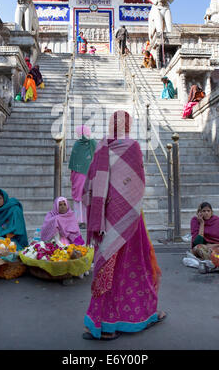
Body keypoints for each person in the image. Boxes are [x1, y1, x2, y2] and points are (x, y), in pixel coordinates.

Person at [82, 110, 165, 341]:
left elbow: (89, 184)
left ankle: (102, 324)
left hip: (106, 220)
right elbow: (138, 181)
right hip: (129, 218)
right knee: (136, 266)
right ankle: (141, 315)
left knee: (107, 267)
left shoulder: (101, 147)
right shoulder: (133, 147)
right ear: (127, 125)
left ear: (111, 125)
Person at [68, 125, 97, 226]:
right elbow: (73, 160)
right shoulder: (77, 144)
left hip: (89, 175)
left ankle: (86, 220)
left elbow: (97, 156)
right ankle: (79, 220)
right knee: (79, 198)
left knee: (86, 197)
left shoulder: (92, 142)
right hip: (79, 176)